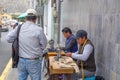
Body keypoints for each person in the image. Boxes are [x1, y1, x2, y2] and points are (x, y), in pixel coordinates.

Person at [6, 9, 47, 80]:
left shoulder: (19, 28)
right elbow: (44, 45)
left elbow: (8, 39)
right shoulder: (38, 30)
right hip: (34, 61)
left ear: (25, 18)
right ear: (36, 19)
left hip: (21, 61)